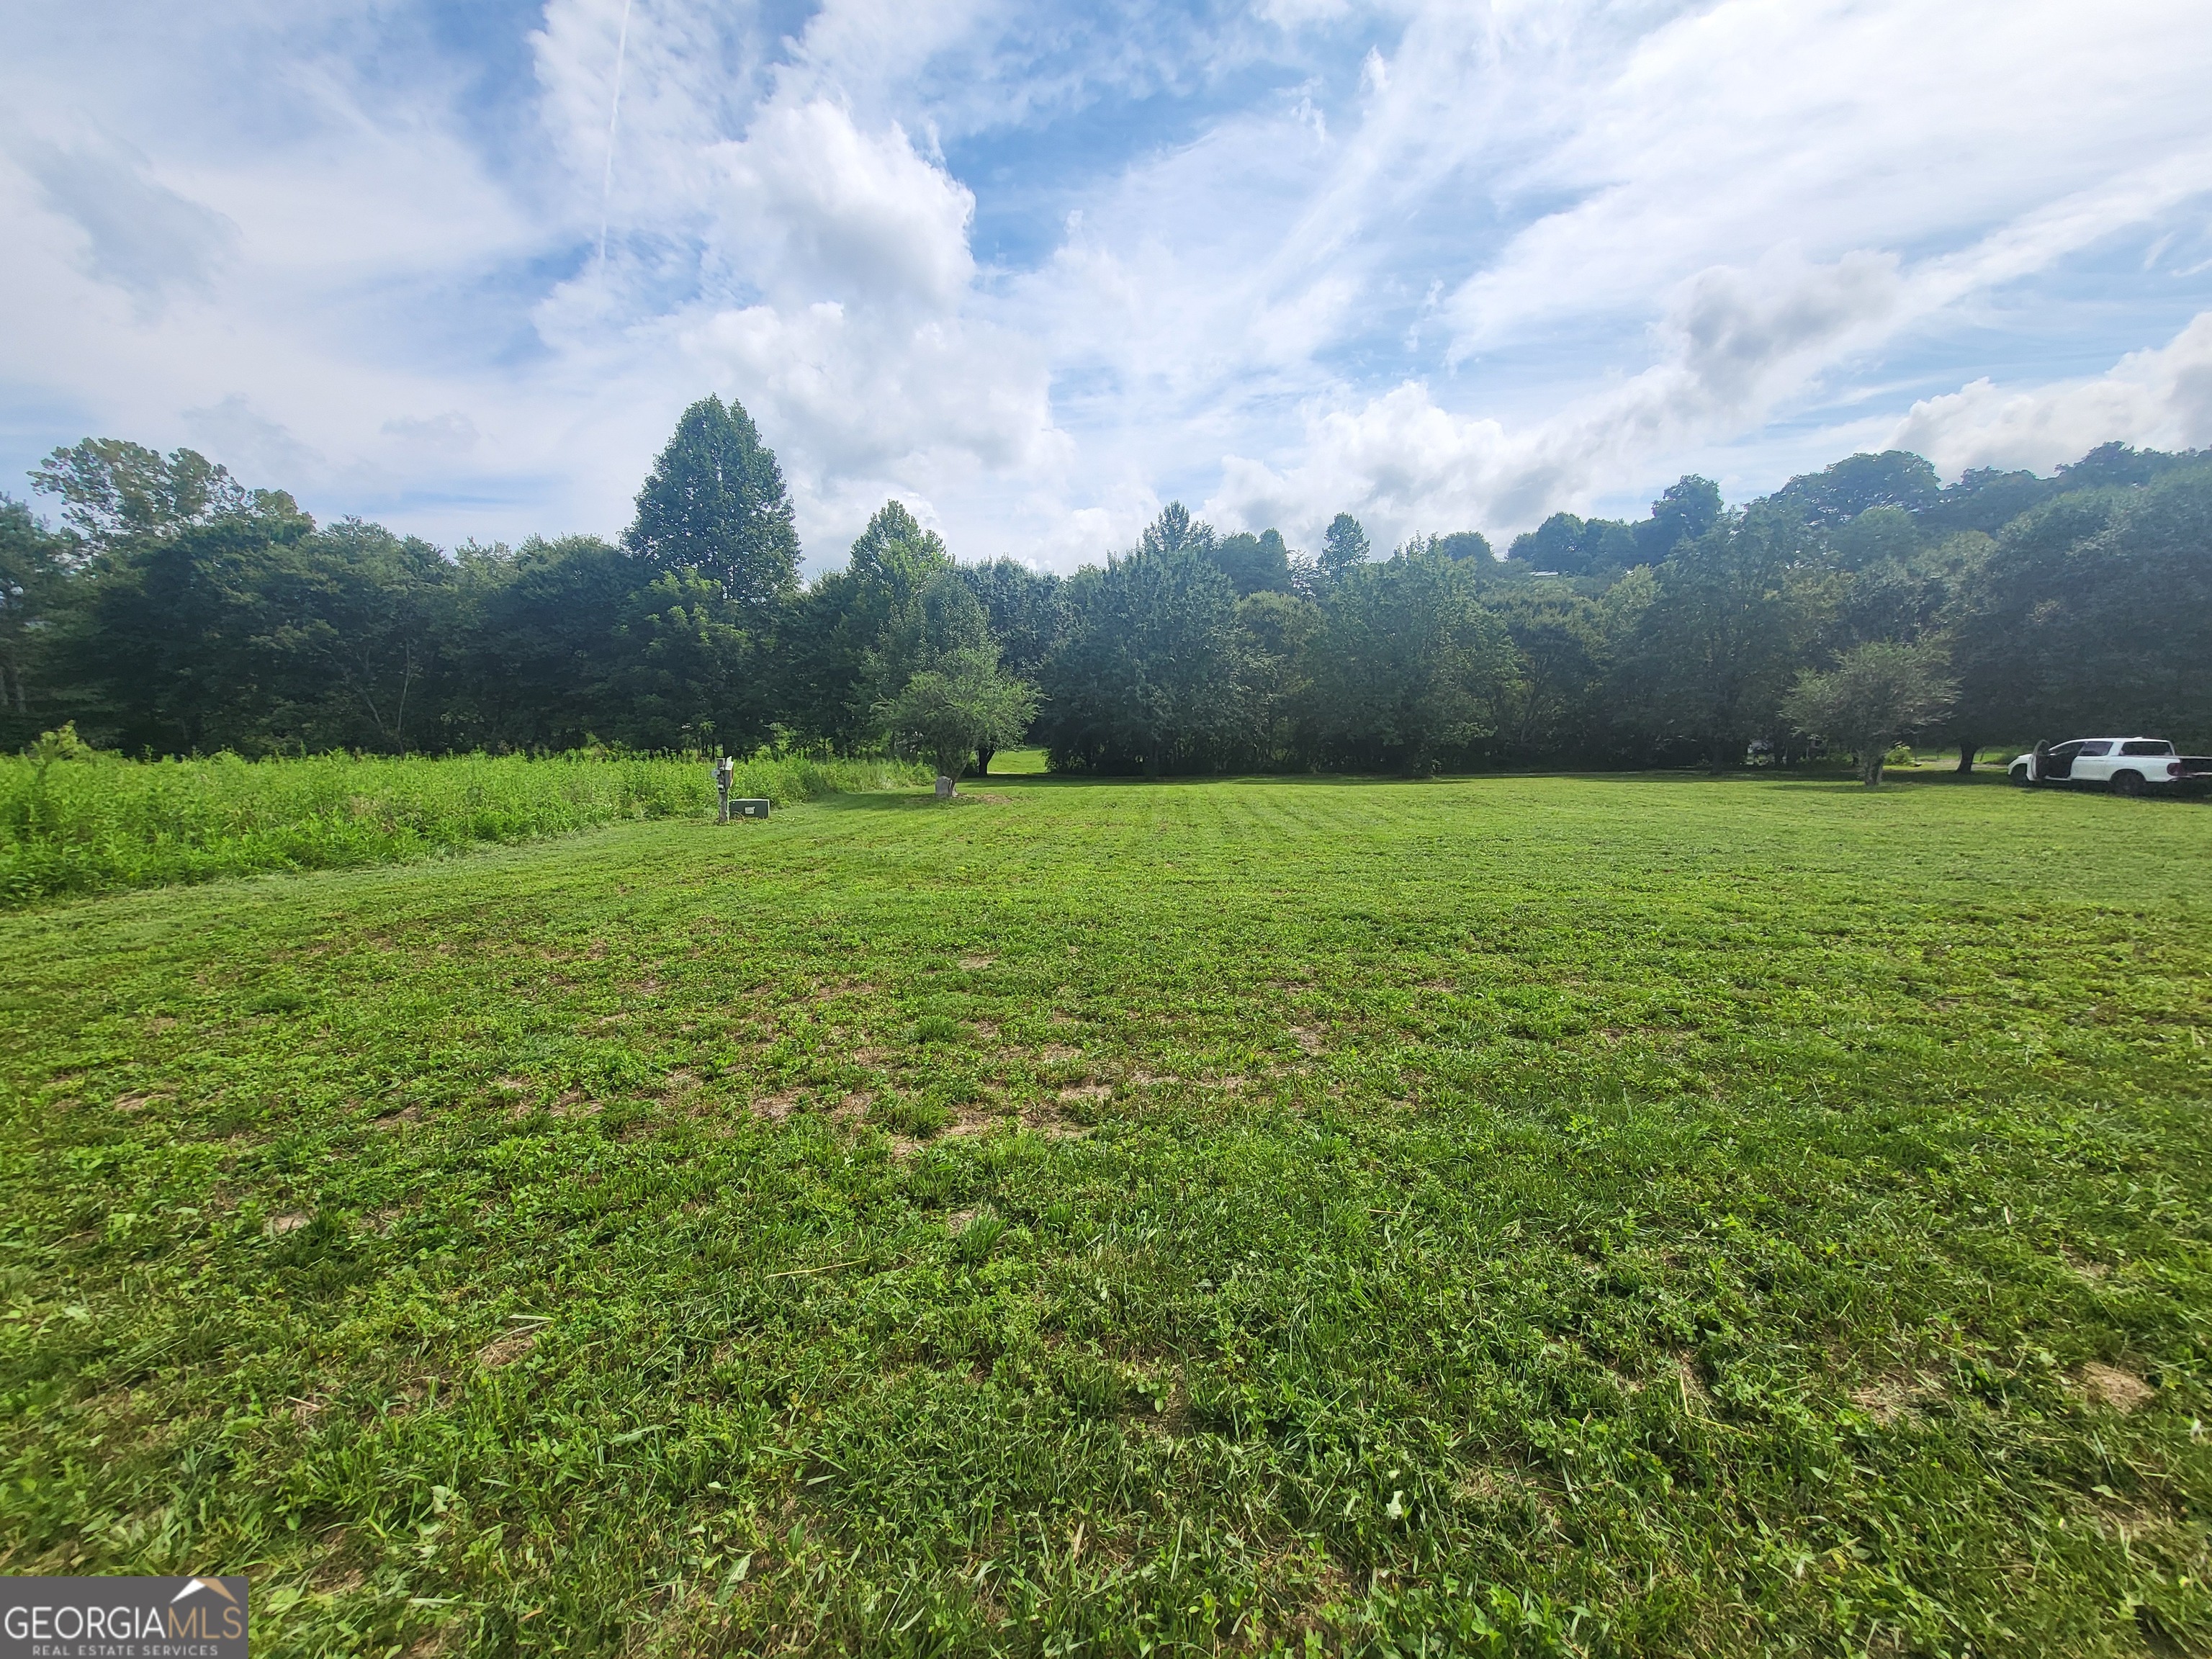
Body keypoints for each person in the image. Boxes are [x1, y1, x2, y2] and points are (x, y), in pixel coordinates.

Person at [714, 754, 735, 822]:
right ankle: (723, 817)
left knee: (724, 799)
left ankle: (724, 817)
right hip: (722, 785)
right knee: (722, 800)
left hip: (724, 785)